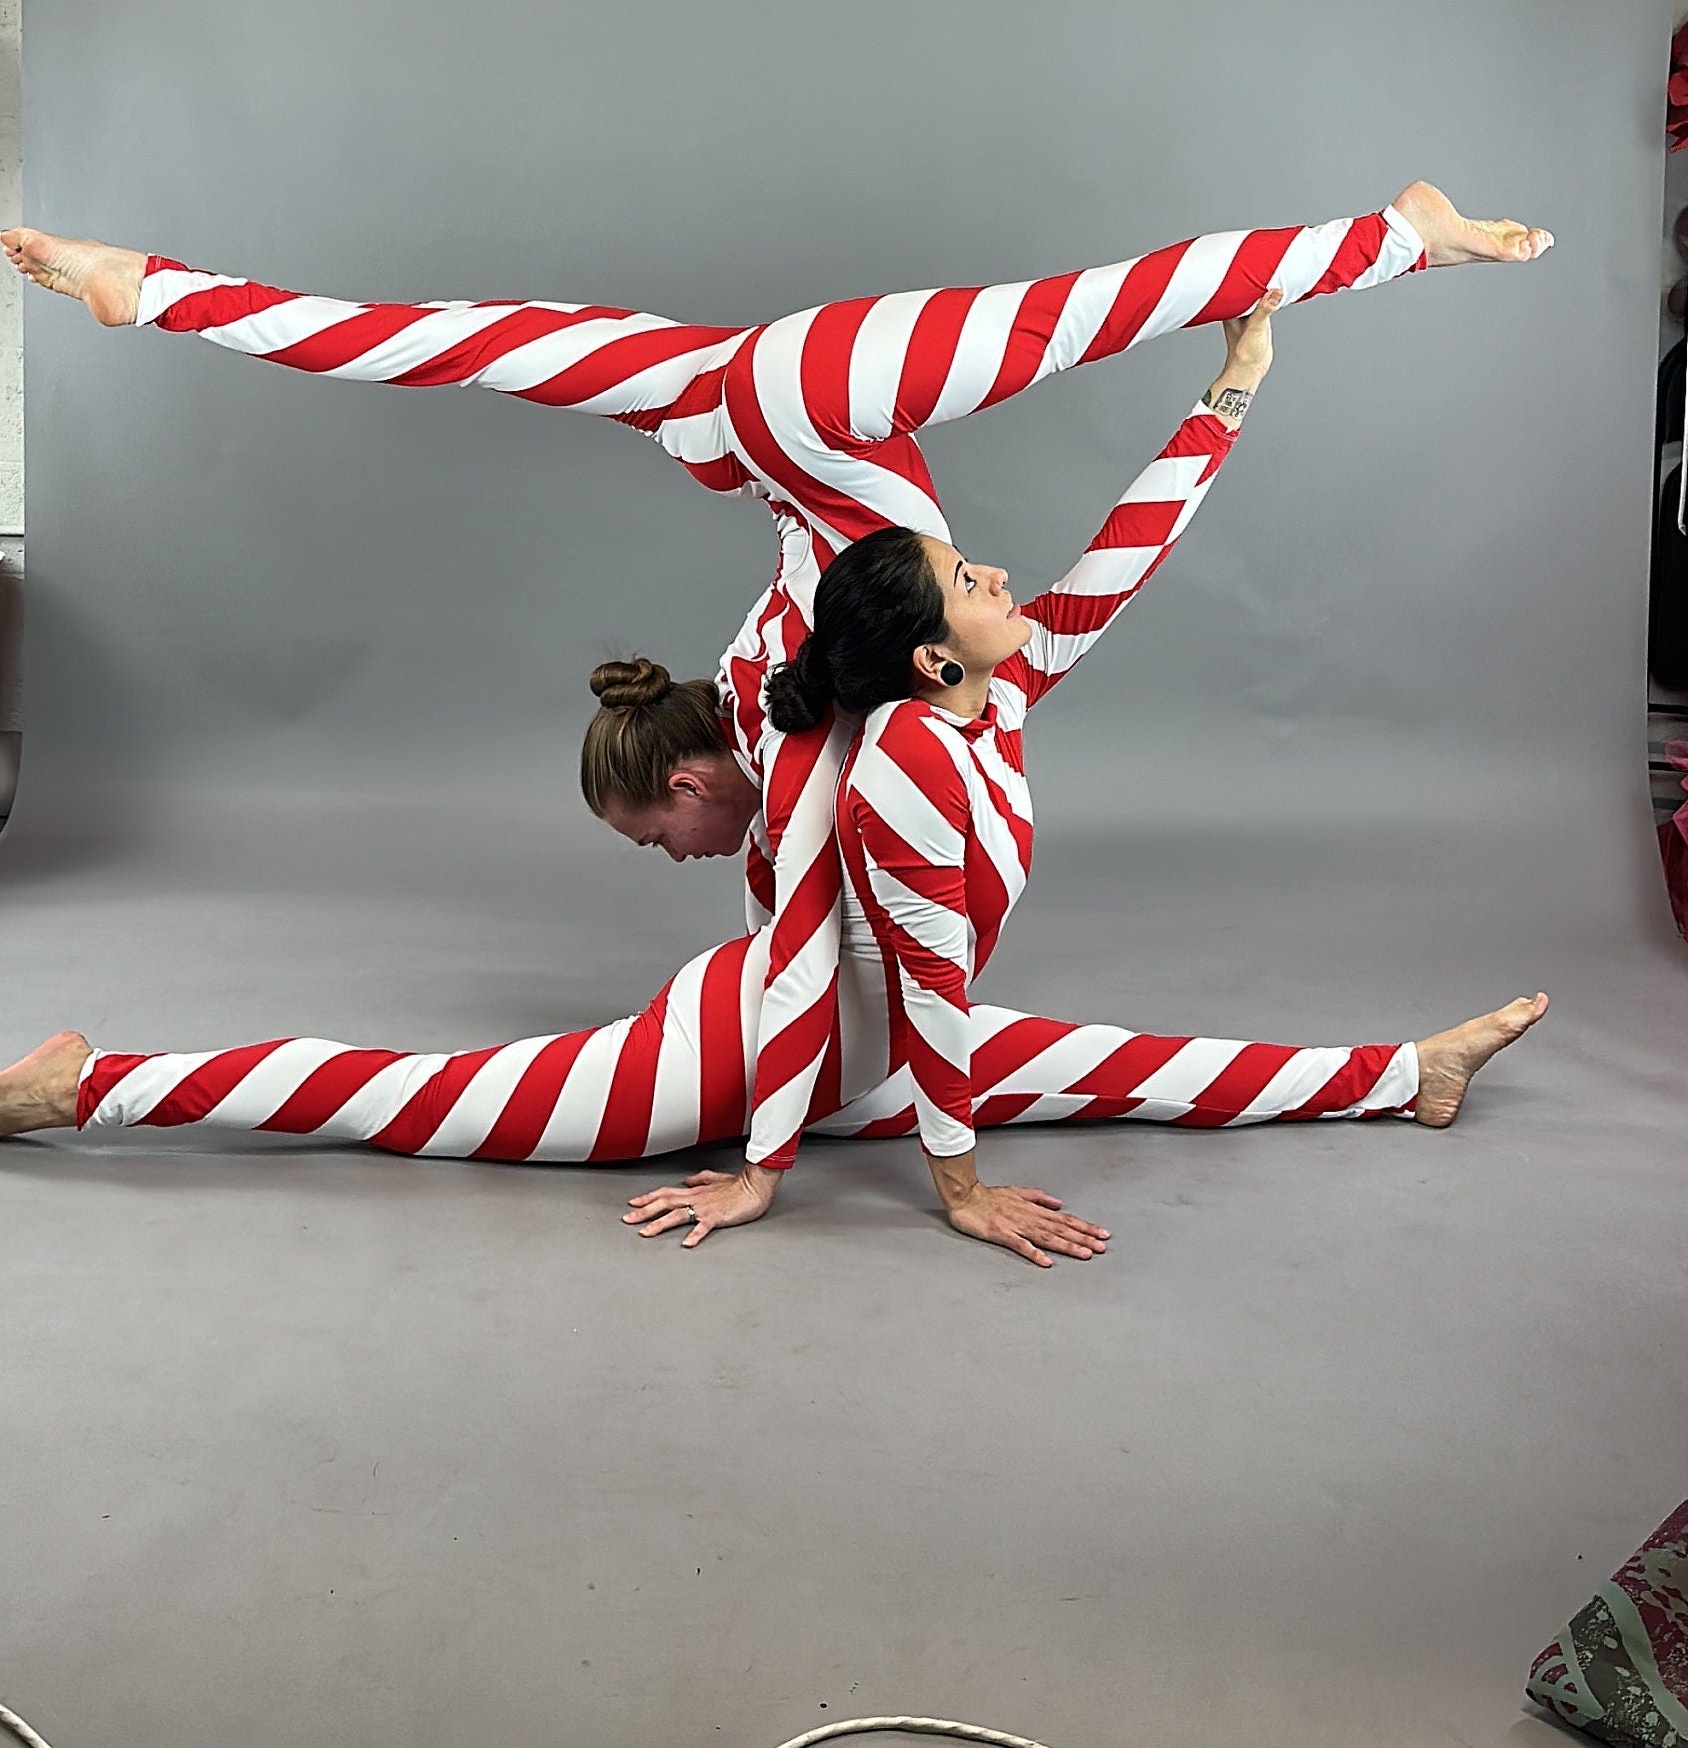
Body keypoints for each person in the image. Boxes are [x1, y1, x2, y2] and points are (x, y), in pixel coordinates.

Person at [0, 275, 1548, 1263]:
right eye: (969, 577)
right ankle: (91, 1082)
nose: (1005, 573)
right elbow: (846, 959)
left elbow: (1123, 557)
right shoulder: (881, 768)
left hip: (857, 1039)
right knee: (430, 1104)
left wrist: (1227, 395)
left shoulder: (989, 691)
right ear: (928, 650)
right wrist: (860, 1177)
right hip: (764, 1041)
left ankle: (1409, 1073)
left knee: (1125, 1065)